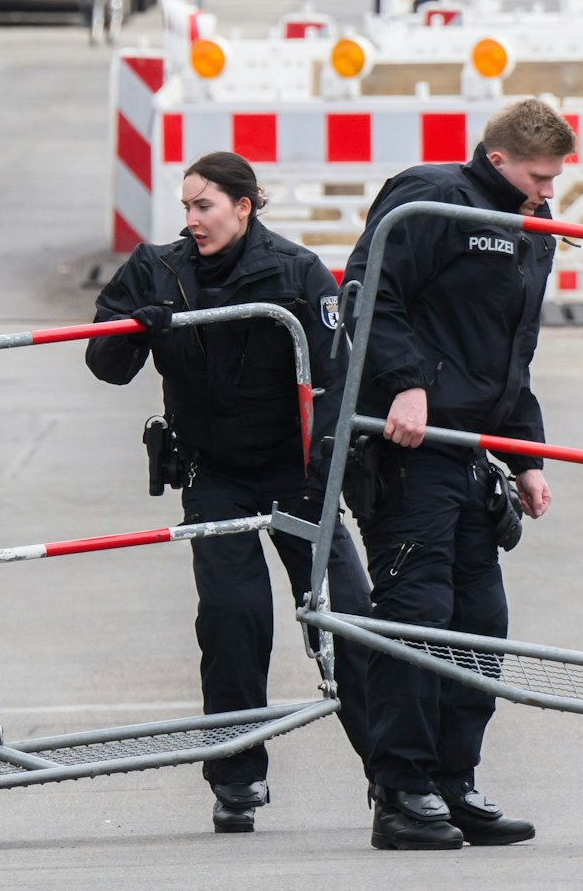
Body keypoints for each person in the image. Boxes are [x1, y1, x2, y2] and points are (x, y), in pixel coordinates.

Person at [85, 153, 374, 835]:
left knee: (354, 616)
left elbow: (341, 375)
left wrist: (327, 468)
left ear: (245, 205)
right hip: (214, 472)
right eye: (185, 206)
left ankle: (396, 774)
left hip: (296, 473)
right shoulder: (159, 270)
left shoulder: (298, 271)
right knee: (232, 616)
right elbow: (103, 363)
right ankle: (238, 777)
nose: (191, 220)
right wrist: (139, 329)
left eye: (204, 206)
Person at [339, 99, 577, 851]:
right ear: (500, 158)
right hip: (408, 448)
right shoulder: (431, 197)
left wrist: (527, 457)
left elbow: (508, 360)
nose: (549, 188)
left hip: (470, 451)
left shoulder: (530, 228)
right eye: (539, 175)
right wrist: (405, 381)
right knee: (419, 614)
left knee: (481, 621)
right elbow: (367, 293)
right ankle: (402, 791)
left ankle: (452, 781)